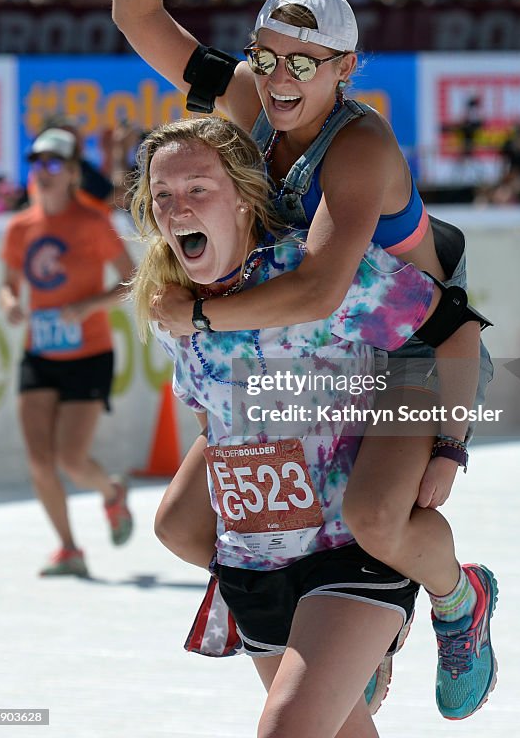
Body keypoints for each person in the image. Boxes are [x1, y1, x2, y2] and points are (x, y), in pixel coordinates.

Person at [112, 0, 496, 721]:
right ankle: (334, 623)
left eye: (307, 63)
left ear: (347, 68)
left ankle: (456, 600)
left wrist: (450, 439)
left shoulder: (356, 145)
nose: (281, 76)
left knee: (374, 521)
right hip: (305, 356)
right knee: (180, 524)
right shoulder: (250, 93)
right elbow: (137, 18)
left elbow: (327, 287)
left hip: (410, 354)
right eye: (269, 57)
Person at [129, 116, 497, 736]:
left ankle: (457, 599)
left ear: (246, 197)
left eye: (197, 188)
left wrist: (446, 444)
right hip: (257, 571)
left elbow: (452, 329)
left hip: (349, 558)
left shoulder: (315, 275)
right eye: (161, 195)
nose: (176, 208)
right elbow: (212, 426)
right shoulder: (172, 306)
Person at [0, 128, 136, 577]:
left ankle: (111, 492)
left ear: (74, 173)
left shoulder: (94, 221)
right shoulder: (20, 225)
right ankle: (68, 548)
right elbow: (9, 283)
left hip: (89, 354)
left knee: (71, 460)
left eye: (53, 164)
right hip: (38, 354)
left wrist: (89, 305)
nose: (43, 172)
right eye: (36, 163)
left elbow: (131, 279)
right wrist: (10, 304)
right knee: (39, 461)